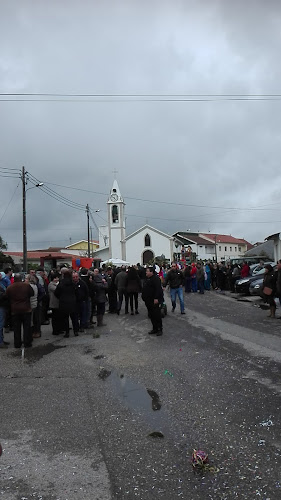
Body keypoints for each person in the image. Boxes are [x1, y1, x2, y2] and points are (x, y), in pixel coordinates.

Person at [6, 273, 34, 348]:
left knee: (16, 328)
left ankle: (17, 343)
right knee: (27, 327)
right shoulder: (26, 286)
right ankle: (27, 342)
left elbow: (7, 297)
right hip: (26, 308)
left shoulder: (10, 287)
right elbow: (32, 293)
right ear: (21, 278)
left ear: (14, 279)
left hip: (15, 310)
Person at [54, 270, 79, 337]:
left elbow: (56, 293)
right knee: (74, 318)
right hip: (72, 302)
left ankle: (67, 332)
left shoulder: (61, 284)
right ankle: (76, 331)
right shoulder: (73, 284)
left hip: (63, 302)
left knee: (65, 318)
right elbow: (77, 292)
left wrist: (61, 297)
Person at [142, 266, 163, 335]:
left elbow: (158, 289)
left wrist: (156, 298)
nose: (146, 272)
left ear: (151, 272)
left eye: (147, 271)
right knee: (151, 315)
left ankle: (159, 329)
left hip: (154, 300)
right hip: (148, 300)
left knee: (156, 315)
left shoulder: (156, 279)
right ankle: (155, 328)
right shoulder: (147, 279)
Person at [25, 274, 39, 339]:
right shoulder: (35, 286)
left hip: (30, 304)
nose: (25, 280)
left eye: (26, 279)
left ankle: (30, 334)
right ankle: (34, 332)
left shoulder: (29, 286)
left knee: (30, 320)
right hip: (34, 303)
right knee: (33, 319)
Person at [0, 272, 9, 349]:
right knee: (0, 324)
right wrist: (5, 295)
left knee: (1, 324)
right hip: (1, 306)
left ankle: (1, 339)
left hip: (3, 305)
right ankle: (0, 341)